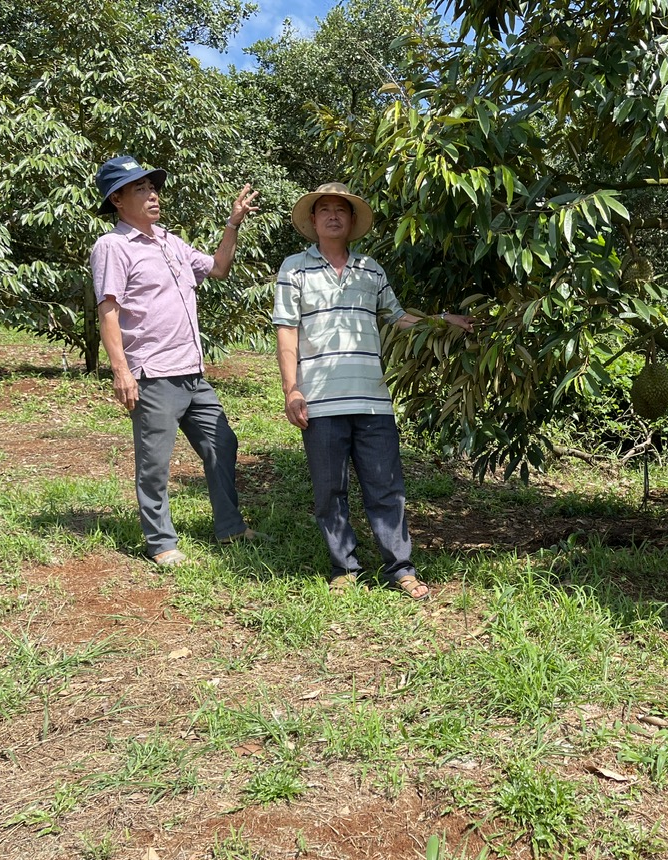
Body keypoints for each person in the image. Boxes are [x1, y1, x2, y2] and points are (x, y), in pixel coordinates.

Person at [272, 183, 473, 600]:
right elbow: (286, 331)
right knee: (330, 490)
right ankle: (344, 568)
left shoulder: (371, 269)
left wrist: (441, 320)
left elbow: (397, 317)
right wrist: (292, 390)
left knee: (386, 487)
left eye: (340, 210)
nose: (332, 216)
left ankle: (401, 568)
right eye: (324, 210)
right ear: (313, 220)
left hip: (373, 400)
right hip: (320, 400)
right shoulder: (294, 269)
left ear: (351, 221)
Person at [90, 155, 261, 568]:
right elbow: (108, 311)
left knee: (222, 443)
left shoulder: (170, 241)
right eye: (140, 189)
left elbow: (218, 269)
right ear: (117, 200)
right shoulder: (113, 247)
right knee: (155, 463)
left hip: (191, 372)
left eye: (153, 187)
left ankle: (230, 526)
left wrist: (233, 223)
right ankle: (161, 542)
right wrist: (121, 372)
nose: (153, 195)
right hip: (152, 374)